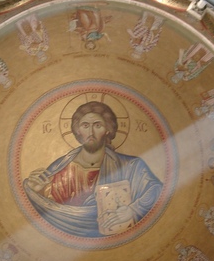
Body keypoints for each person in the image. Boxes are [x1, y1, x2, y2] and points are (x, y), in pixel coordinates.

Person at [24, 101, 163, 237]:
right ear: (77, 130)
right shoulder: (60, 170)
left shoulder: (130, 166)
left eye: (97, 125)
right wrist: (37, 192)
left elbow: (157, 189)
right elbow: (50, 211)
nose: (91, 132)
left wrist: (133, 210)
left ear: (107, 129)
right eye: (85, 126)